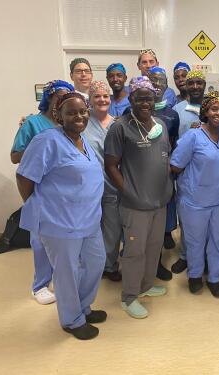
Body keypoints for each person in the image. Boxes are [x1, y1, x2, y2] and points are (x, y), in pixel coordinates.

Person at [16, 92, 106, 340]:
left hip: (88, 220)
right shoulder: (47, 140)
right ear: (58, 115)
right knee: (66, 273)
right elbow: (24, 177)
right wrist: (42, 205)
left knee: (96, 263)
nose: (79, 116)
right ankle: (72, 320)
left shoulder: (81, 138)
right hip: (60, 223)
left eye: (82, 111)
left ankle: (83, 307)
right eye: (71, 112)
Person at [105, 76, 172, 319]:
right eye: (139, 97)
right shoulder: (120, 127)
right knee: (135, 251)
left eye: (149, 97)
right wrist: (128, 191)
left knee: (154, 248)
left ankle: (145, 286)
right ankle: (129, 296)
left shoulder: (161, 125)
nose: (145, 102)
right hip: (135, 204)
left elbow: (165, 157)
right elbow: (111, 165)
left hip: (159, 201)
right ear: (130, 98)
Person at [11, 79, 74, 305]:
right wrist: (40, 146)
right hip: (39, 189)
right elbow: (15, 156)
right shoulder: (33, 123)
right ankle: (39, 286)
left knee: (62, 241)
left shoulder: (69, 123)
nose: (62, 98)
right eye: (59, 95)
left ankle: (59, 279)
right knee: (40, 241)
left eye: (67, 95)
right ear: (49, 97)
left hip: (63, 194)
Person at [170, 91, 219, 298]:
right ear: (205, 111)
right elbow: (176, 166)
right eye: (214, 108)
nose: (218, 113)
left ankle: (215, 277)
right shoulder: (193, 135)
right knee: (195, 240)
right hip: (195, 201)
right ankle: (195, 275)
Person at [82, 81, 123, 283]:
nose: (102, 100)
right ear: (89, 100)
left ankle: (109, 265)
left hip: (112, 187)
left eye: (105, 96)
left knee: (112, 230)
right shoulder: (82, 124)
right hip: (87, 189)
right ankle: (89, 267)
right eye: (97, 96)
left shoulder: (118, 124)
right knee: (89, 231)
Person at [169, 69, 207, 273]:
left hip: (209, 174)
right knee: (186, 218)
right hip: (185, 173)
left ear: (204, 85)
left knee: (209, 219)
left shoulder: (213, 107)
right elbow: (172, 141)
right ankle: (185, 255)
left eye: (199, 83)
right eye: (191, 83)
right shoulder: (177, 109)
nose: (194, 86)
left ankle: (206, 256)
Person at [146, 66, 180, 280]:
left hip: (163, 173)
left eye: (161, 81)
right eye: (152, 81)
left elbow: (173, 143)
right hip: (140, 175)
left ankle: (156, 263)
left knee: (158, 222)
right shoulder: (132, 111)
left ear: (167, 86)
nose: (156, 85)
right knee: (143, 225)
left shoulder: (171, 114)